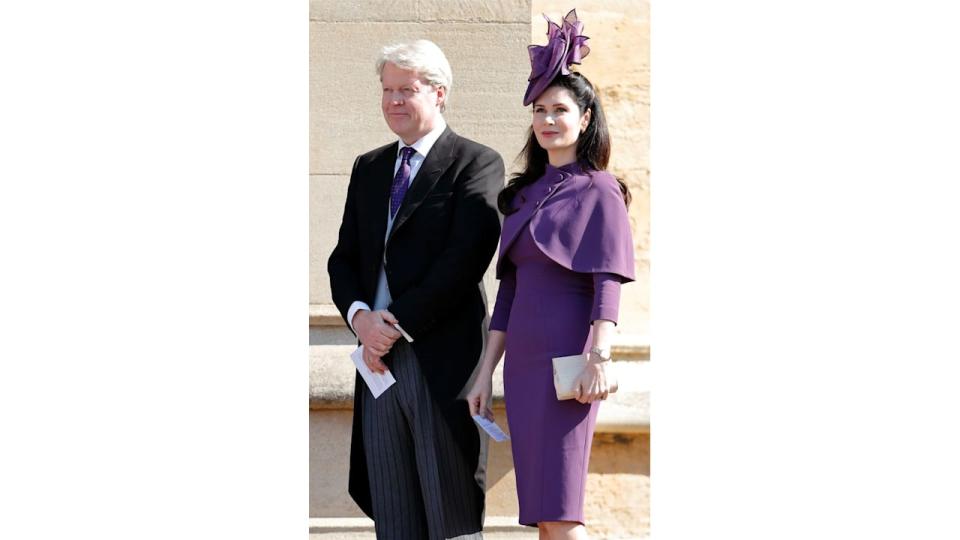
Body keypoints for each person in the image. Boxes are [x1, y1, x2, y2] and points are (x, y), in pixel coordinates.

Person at [465, 9, 635, 540]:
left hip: (569, 363)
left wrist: (597, 356)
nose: (547, 120)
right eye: (540, 110)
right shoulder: (525, 195)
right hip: (523, 366)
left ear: (585, 119)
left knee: (563, 510)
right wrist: (484, 371)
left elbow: (607, 280)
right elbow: (509, 290)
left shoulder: (600, 188)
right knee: (542, 513)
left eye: (560, 109)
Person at [327, 39, 504, 540]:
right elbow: (343, 259)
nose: (393, 101)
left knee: (449, 516)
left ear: (439, 92)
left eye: (406, 89)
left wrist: (392, 325)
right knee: (394, 515)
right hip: (377, 363)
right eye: (386, 90)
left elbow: (464, 260)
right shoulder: (369, 167)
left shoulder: (476, 163)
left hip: (438, 357)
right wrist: (362, 318)